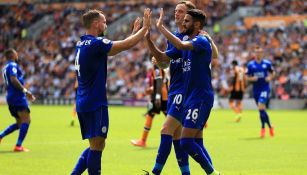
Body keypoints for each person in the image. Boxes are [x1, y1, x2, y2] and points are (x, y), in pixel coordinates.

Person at [70, 9, 151, 175]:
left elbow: (117, 48)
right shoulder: (96, 44)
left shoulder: (82, 43)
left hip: (83, 101)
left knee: (97, 145)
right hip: (95, 102)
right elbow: (126, 45)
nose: (106, 24)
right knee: (97, 146)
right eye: (104, 21)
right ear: (95, 24)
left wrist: (133, 33)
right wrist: (145, 29)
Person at [145, 8, 220, 175]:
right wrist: (148, 39)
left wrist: (161, 27)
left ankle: (212, 173)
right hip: (189, 97)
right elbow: (163, 59)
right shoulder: (186, 44)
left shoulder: (200, 40)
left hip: (199, 97)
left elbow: (181, 45)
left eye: (186, 20)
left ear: (197, 24)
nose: (182, 22)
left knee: (183, 140)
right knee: (194, 142)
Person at [0, 48, 36, 152]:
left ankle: (1, 135)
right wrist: (26, 91)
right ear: (13, 55)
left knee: (20, 123)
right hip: (17, 97)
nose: (17, 55)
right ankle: (18, 146)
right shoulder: (12, 65)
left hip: (10, 97)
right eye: (16, 53)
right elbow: (13, 79)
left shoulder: (5, 67)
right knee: (26, 120)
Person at [131, 64, 168, 147]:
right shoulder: (160, 66)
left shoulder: (157, 66)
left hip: (161, 96)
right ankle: (143, 140)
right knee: (151, 115)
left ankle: (143, 141)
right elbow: (161, 82)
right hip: (164, 96)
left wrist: (157, 96)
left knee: (171, 118)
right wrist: (150, 90)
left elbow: (159, 81)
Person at [246, 45, 275, 138]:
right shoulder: (251, 65)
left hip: (264, 89)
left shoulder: (267, 63)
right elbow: (246, 76)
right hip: (256, 90)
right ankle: (270, 126)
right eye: (256, 52)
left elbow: (273, 72)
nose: (258, 54)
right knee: (261, 110)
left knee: (261, 106)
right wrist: (251, 78)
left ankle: (263, 128)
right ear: (254, 53)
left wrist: (269, 78)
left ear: (262, 53)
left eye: (260, 52)